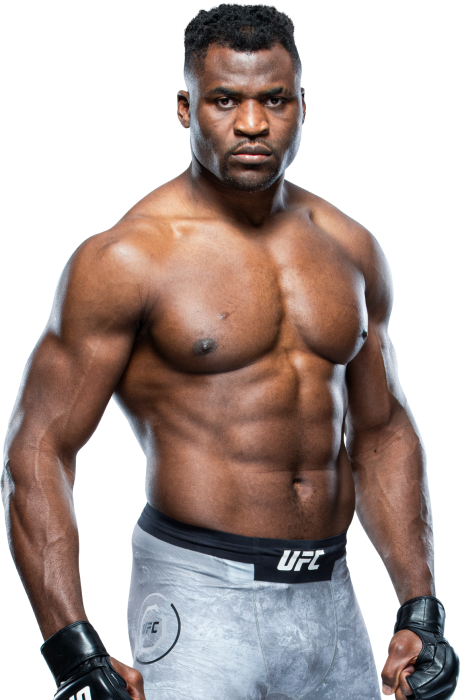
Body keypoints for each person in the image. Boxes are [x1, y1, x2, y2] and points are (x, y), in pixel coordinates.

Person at [2, 3, 458, 700]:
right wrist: (71, 646)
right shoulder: (128, 259)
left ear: (301, 105)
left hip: (332, 599)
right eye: (224, 100)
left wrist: (419, 605)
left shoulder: (350, 249)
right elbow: (39, 447)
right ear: (185, 109)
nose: (252, 124)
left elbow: (382, 429)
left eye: (274, 100)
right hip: (198, 597)